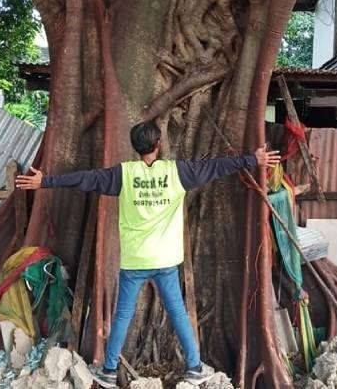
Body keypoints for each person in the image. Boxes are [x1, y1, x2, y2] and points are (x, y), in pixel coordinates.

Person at [16, 120, 280, 387]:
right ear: (158, 144)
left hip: (135, 261)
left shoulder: (124, 174)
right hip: (166, 259)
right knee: (177, 312)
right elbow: (213, 168)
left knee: (123, 315)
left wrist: (46, 181)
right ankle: (195, 367)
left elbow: (86, 179)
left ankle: (108, 370)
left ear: (135, 147)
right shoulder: (176, 172)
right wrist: (251, 159)